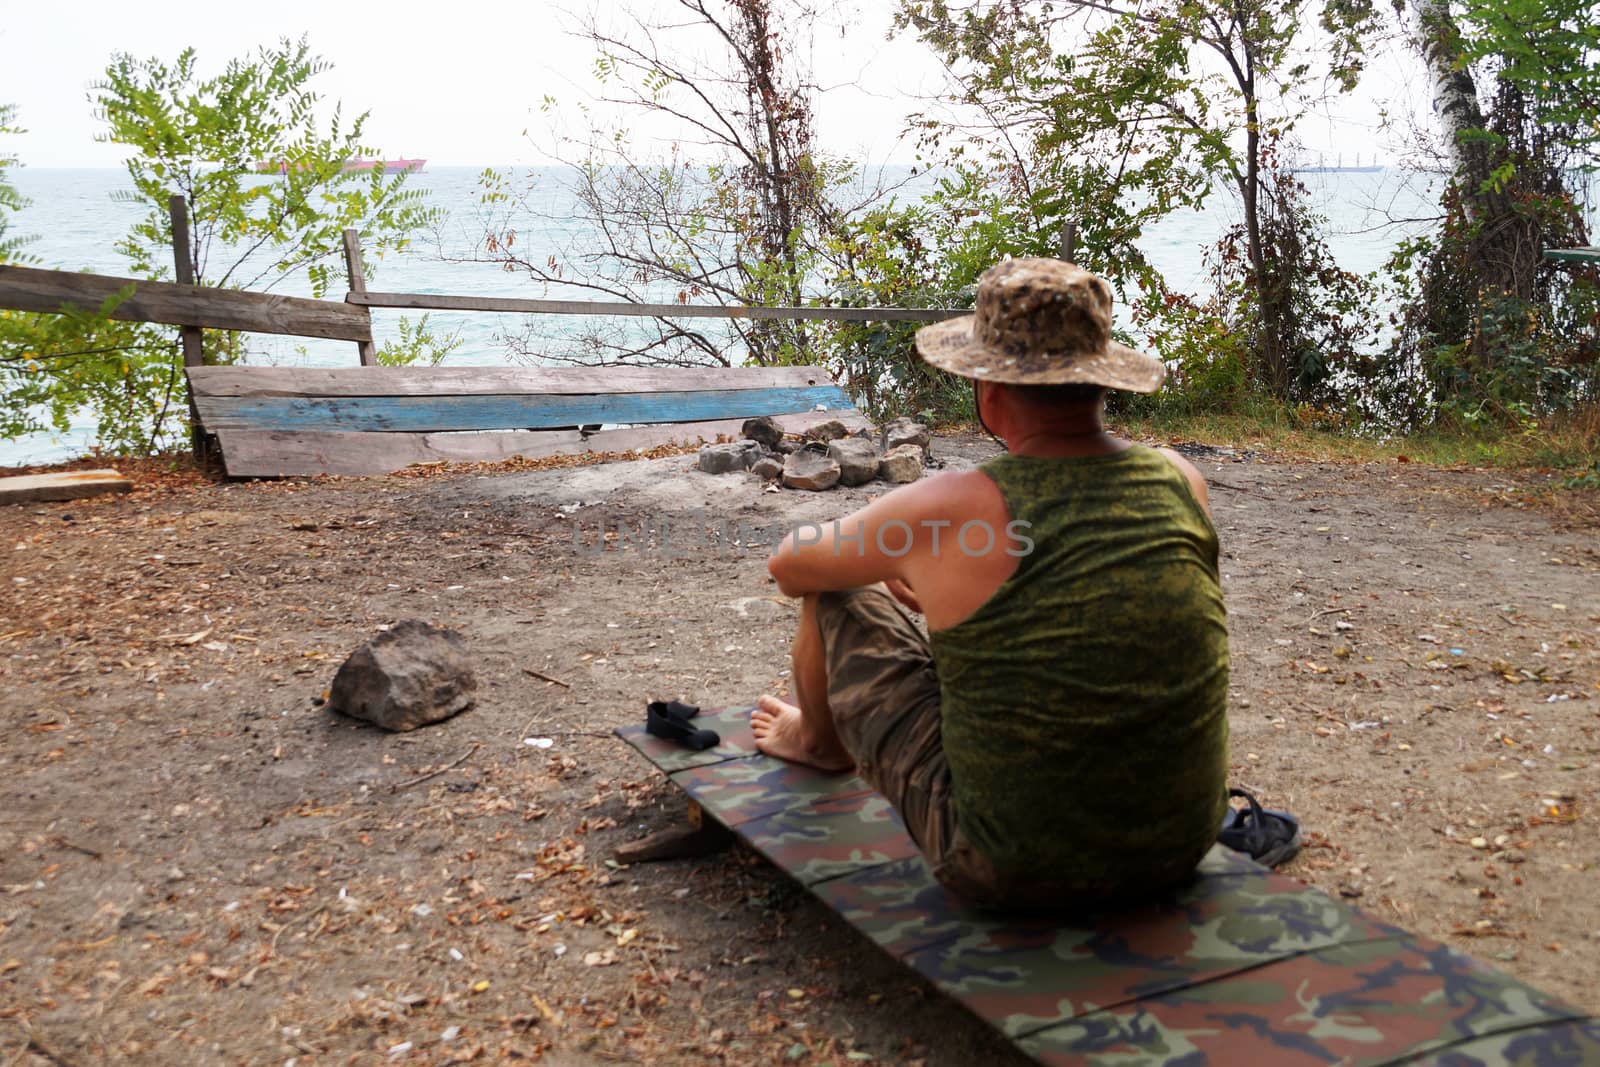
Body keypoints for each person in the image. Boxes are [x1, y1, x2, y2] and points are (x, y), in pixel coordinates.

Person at [752, 257, 1230, 911]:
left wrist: (901, 558)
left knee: (836, 585)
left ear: (989, 391)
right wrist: (944, 581)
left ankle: (815, 741)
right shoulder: (1181, 479)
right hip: (1178, 844)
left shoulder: (953, 506)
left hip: (1006, 866)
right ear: (1099, 381)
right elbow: (1109, 610)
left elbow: (789, 564)